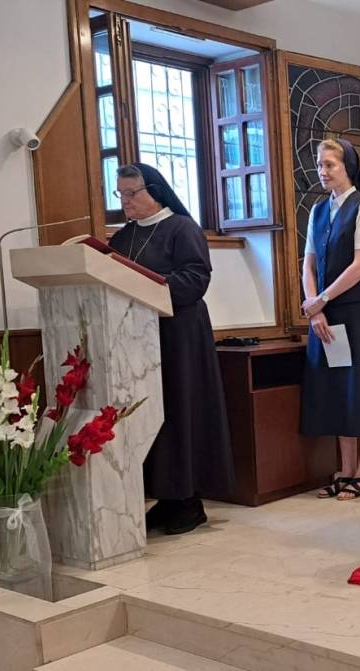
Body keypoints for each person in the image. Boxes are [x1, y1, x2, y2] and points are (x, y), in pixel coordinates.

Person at [108, 163, 234, 534]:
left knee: (182, 412)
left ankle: (189, 501)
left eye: (132, 193)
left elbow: (195, 279)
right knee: (151, 415)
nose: (125, 201)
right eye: (120, 193)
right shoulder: (123, 238)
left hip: (180, 338)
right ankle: (165, 496)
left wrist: (150, 283)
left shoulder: (182, 228)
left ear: (156, 191)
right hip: (137, 339)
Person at [300, 139, 360, 501]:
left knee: (359, 390)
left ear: (347, 166)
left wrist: (321, 299)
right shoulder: (318, 210)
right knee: (337, 389)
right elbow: (308, 265)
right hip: (325, 314)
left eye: (330, 165)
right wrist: (315, 309)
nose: (322, 171)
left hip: (354, 310)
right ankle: (345, 468)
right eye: (320, 164)